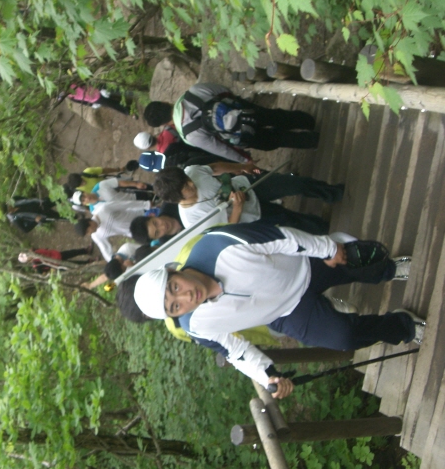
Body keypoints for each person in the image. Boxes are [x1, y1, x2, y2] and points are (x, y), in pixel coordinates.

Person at [117, 222, 421, 398]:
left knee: (355, 263)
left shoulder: (216, 246)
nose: (185, 297)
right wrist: (268, 376)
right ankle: (403, 326)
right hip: (286, 313)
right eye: (175, 306)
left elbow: (281, 237)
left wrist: (327, 249)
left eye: (174, 287)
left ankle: (387, 268)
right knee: (344, 338)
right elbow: (235, 351)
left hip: (303, 265)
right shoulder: (195, 325)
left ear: (173, 271)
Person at [143, 83, 319, 163]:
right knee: (273, 116)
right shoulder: (193, 92)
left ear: (164, 124)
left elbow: (219, 147)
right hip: (243, 110)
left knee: (273, 139)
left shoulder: (188, 135)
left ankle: (311, 140)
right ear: (165, 102)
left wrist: (244, 159)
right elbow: (224, 91)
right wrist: (237, 104)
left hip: (239, 135)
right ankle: (308, 120)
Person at [154, 163, 344, 234]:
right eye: (186, 188)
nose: (191, 183)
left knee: (294, 184)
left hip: (248, 186)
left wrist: (242, 167)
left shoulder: (192, 172)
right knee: (290, 220)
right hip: (250, 215)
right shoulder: (192, 219)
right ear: (177, 198)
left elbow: (215, 168)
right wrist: (237, 208)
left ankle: (333, 193)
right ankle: (326, 228)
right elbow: (226, 230)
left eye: (187, 180)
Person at [74, 200, 151, 261]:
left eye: (88, 231)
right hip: (138, 233)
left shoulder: (104, 209)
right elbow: (105, 249)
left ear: (89, 223)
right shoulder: (96, 235)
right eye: (87, 234)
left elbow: (125, 204)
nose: (89, 233)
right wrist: (114, 261)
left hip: (142, 216)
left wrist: (146, 204)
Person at [71, 179, 153, 212]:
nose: (86, 198)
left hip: (134, 197)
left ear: (84, 192)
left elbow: (119, 183)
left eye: (83, 196)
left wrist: (136, 184)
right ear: (84, 204)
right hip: (134, 212)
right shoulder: (95, 211)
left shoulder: (100, 186)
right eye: (83, 200)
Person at [66, 84, 136, 117]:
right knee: (113, 105)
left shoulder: (73, 83)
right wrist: (92, 105)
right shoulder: (70, 97)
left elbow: (87, 82)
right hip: (95, 99)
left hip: (97, 90)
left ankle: (134, 91)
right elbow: (82, 101)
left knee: (116, 91)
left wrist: (99, 88)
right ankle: (130, 112)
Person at [18, 246, 94, 274]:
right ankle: (90, 263)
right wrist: (53, 270)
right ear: (28, 261)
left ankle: (86, 250)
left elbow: (44, 250)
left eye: (27, 254)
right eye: (27, 257)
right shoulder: (36, 265)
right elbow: (44, 273)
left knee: (72, 252)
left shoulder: (34, 251)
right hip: (57, 264)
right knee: (75, 264)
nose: (29, 255)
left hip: (56, 255)